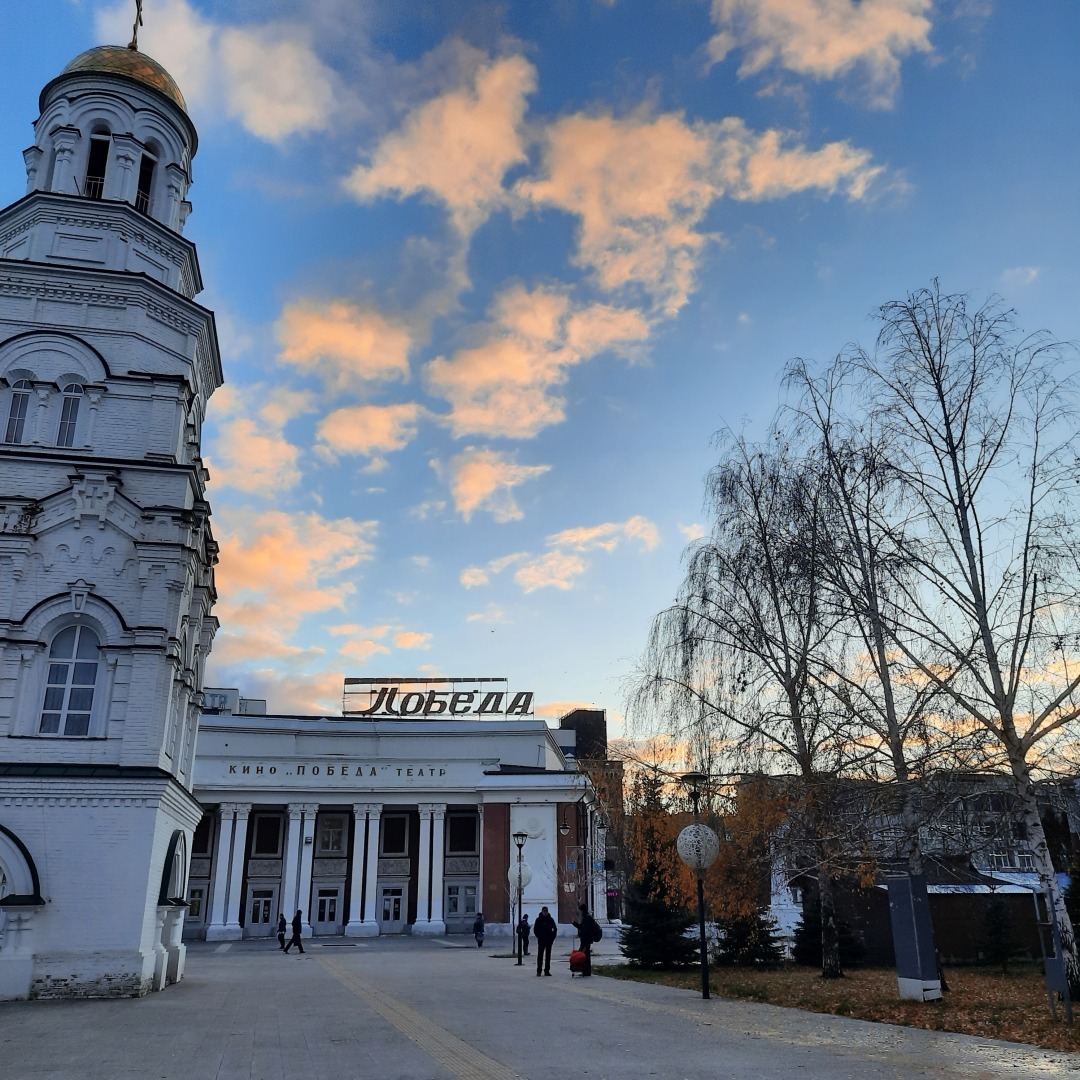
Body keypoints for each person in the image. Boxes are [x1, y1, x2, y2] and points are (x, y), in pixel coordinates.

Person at [572, 903, 599, 976]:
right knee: (584, 955)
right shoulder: (586, 917)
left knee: (585, 955)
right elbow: (583, 928)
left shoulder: (587, 918)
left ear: (582, 910)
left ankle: (586, 971)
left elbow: (585, 929)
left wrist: (576, 925)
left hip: (586, 940)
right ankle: (584, 970)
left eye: (579, 910)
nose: (578, 912)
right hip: (585, 939)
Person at [533, 905, 557, 976]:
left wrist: (552, 938)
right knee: (540, 956)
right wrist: (539, 937)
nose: (545, 913)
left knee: (548, 956)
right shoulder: (538, 920)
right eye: (544, 911)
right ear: (542, 911)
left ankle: (547, 971)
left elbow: (555, 929)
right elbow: (535, 930)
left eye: (546, 911)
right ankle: (539, 971)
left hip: (549, 941)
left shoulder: (550, 919)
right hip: (541, 941)